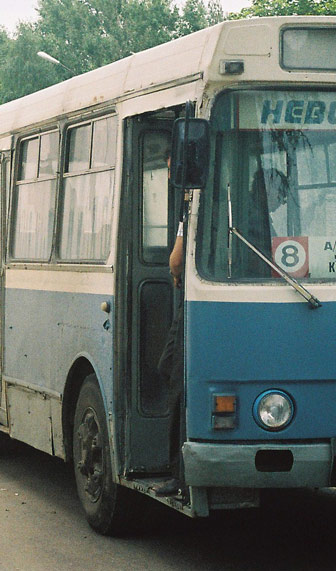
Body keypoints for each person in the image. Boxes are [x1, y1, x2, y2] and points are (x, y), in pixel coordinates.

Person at [154, 159, 188, 499]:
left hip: (190, 304)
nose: (169, 173)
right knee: (168, 368)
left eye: (169, 166)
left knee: (176, 381)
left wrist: (175, 275)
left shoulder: (190, 199)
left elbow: (176, 260)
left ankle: (179, 477)